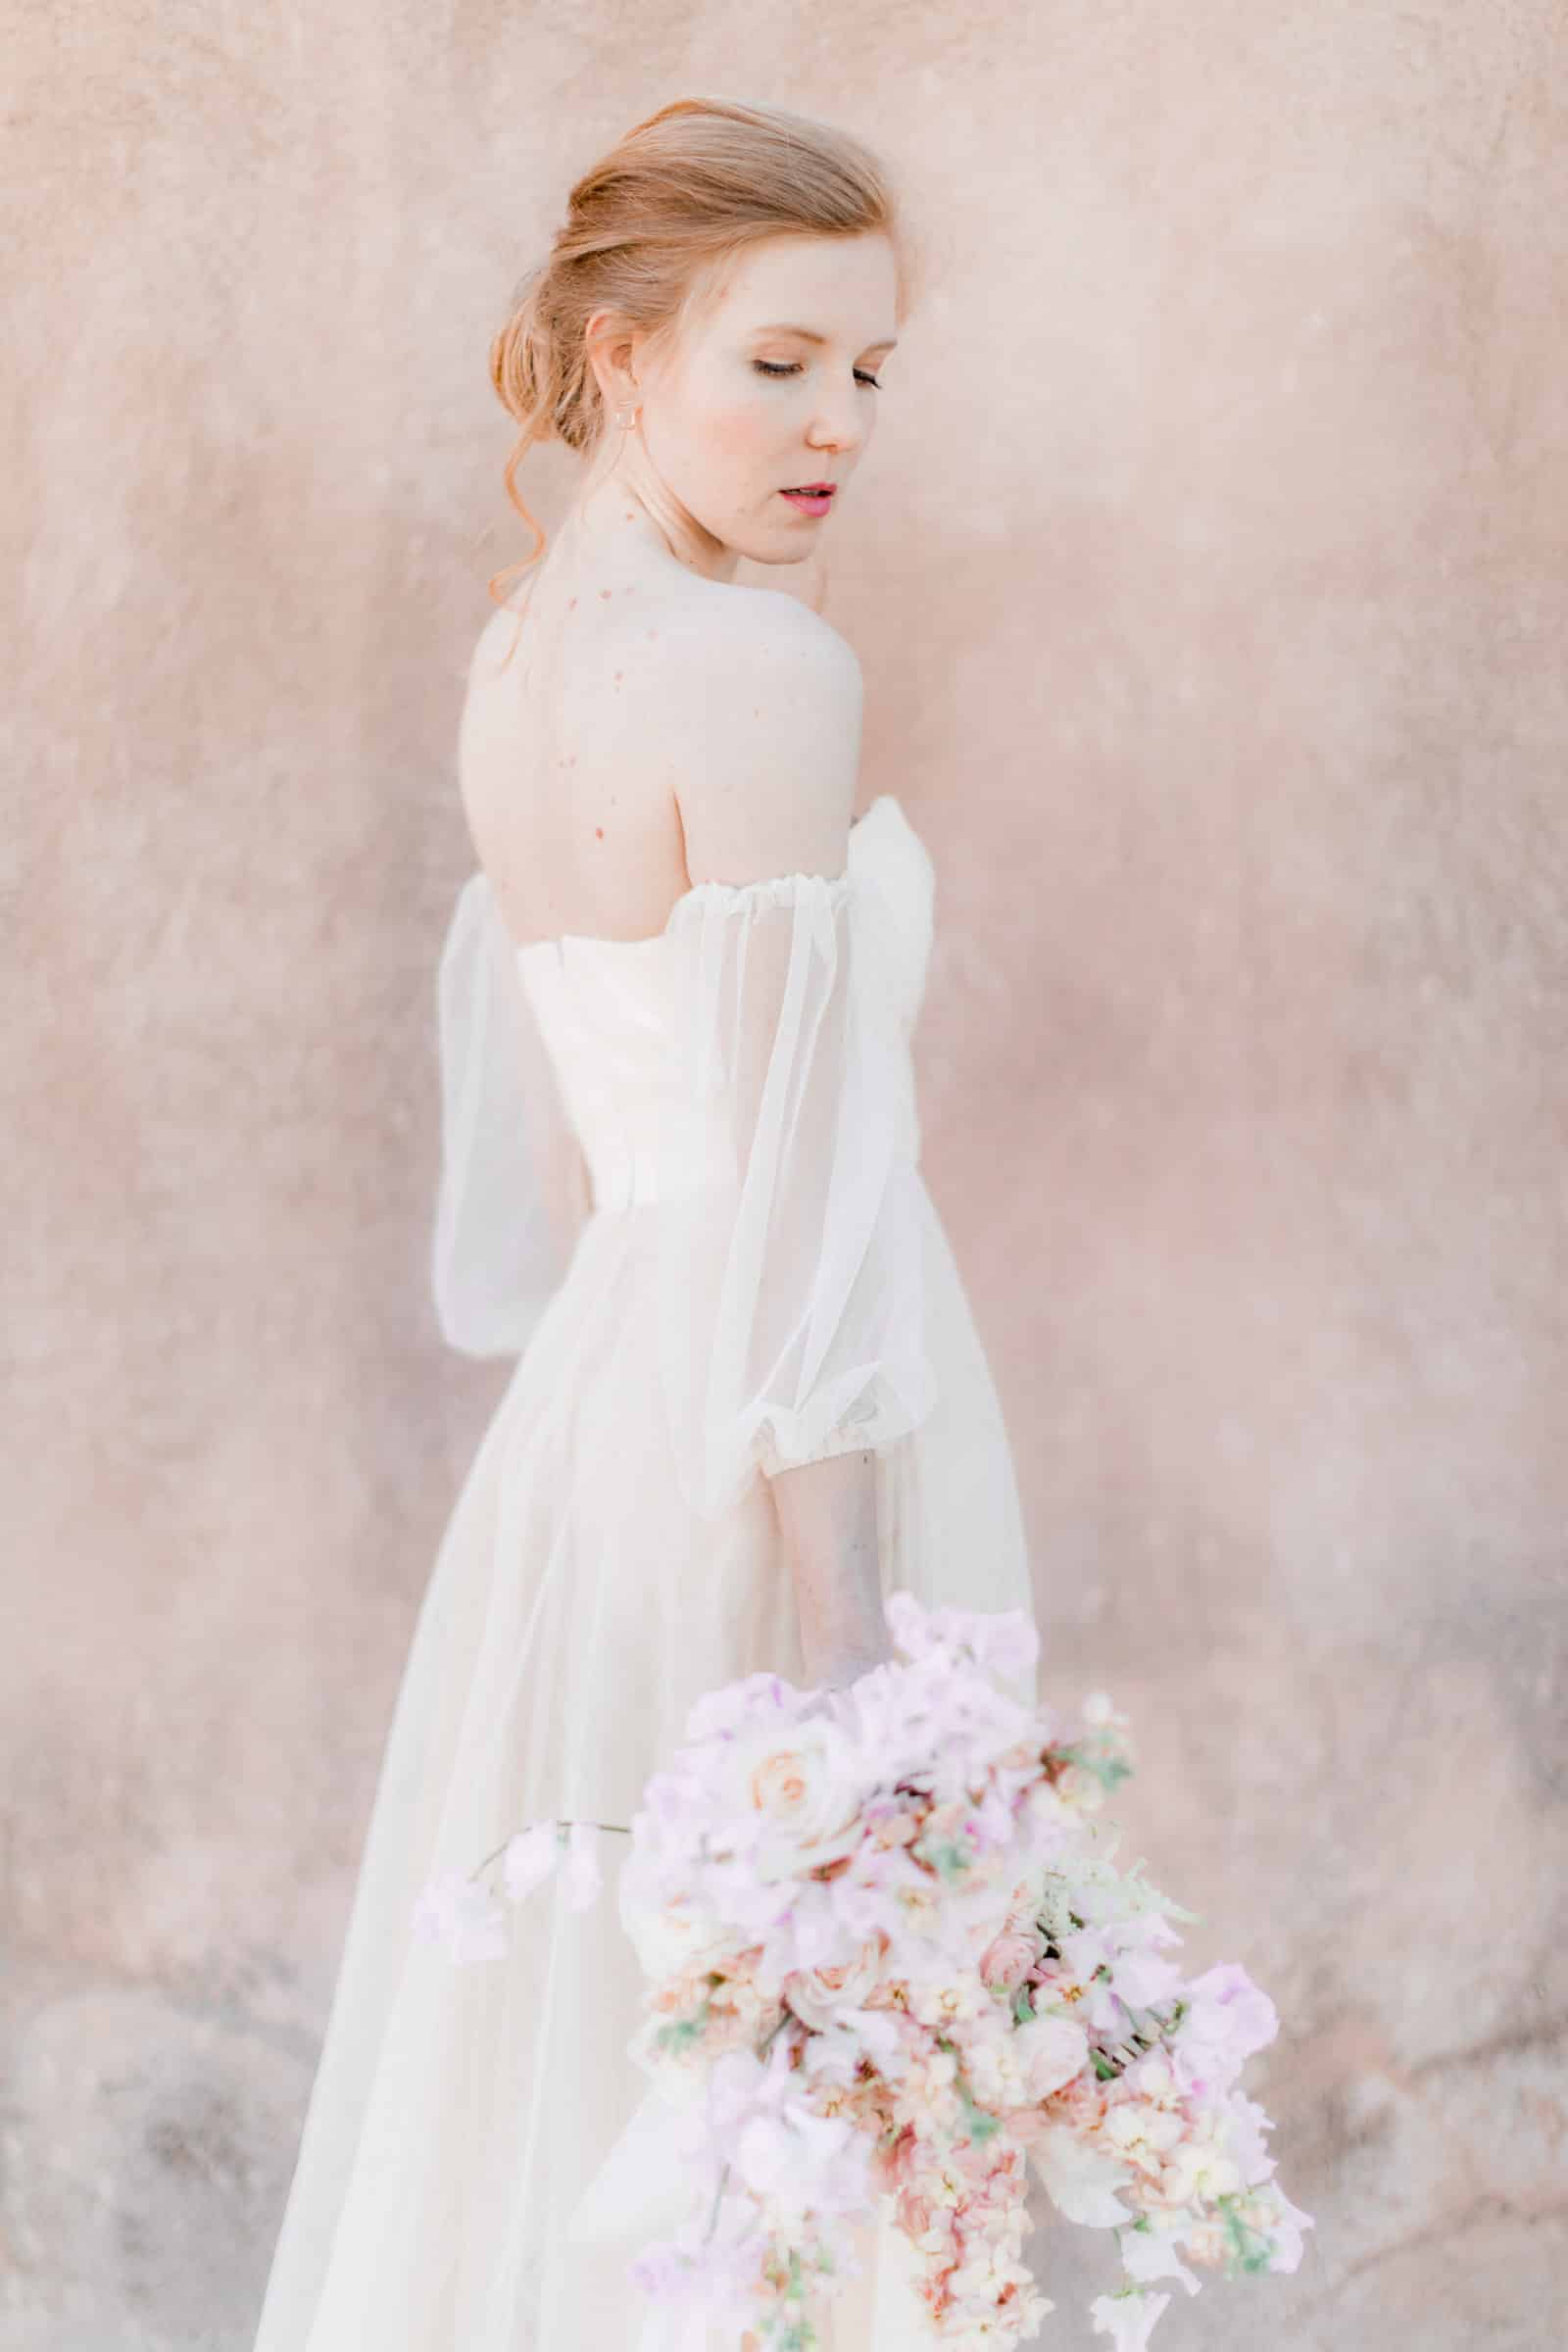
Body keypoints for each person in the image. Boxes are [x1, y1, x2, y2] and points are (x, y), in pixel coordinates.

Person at [250, 95, 1038, 2351]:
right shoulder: (762, 674)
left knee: (603, 2036)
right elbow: (800, 1195)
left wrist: (648, 1343)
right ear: (618, 355)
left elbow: (568, 1134)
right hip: (772, 1438)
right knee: (783, 2056)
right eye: (777, 362)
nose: (838, 429)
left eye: (870, 373)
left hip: (604, 1407)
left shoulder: (519, 658)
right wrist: (858, 1652)